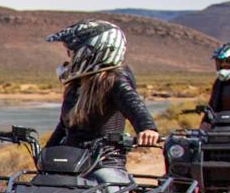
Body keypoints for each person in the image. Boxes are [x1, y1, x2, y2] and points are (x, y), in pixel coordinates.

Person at [43, 20, 159, 178]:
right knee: (38, 185)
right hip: (72, 162)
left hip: (104, 162)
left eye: (72, 52)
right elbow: (65, 126)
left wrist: (147, 129)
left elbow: (134, 105)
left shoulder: (114, 81)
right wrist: (47, 152)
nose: (69, 58)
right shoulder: (75, 86)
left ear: (92, 52)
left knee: (107, 186)